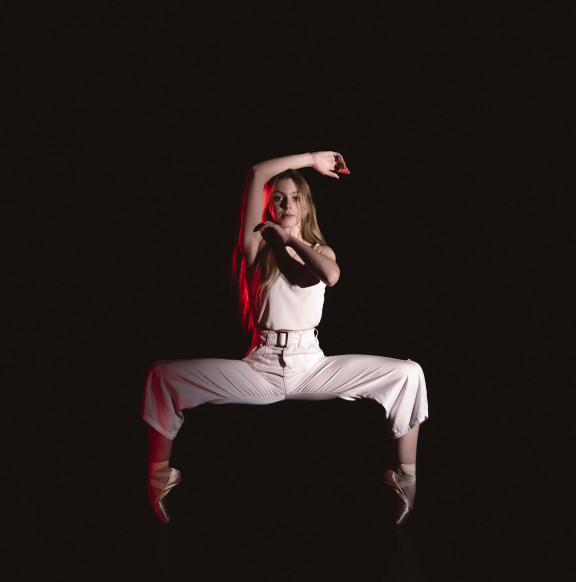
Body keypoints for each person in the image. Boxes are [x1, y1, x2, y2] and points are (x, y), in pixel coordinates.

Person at [141, 151, 428, 526]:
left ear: (306, 207)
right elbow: (257, 170)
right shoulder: (254, 247)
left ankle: (404, 477)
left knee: (409, 373)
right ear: (269, 204)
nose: (287, 203)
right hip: (259, 366)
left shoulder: (320, 250)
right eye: (278, 197)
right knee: (161, 376)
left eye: (295, 198)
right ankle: (159, 475)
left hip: (311, 365)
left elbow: (327, 275)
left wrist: (287, 239)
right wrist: (313, 158)